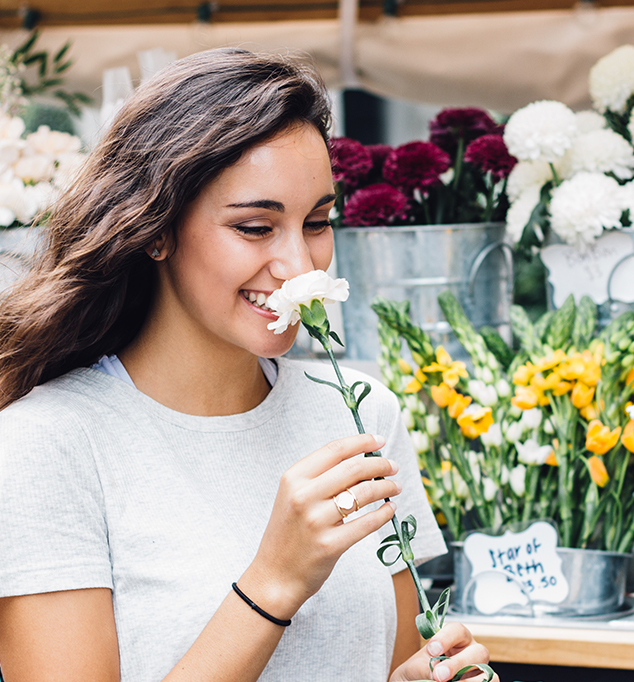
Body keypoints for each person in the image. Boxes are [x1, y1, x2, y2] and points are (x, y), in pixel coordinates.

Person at [0, 48, 488, 682]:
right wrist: (273, 584)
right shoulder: (46, 444)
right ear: (155, 229)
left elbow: (388, 661)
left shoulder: (361, 413)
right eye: (256, 227)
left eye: (318, 221)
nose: (300, 265)